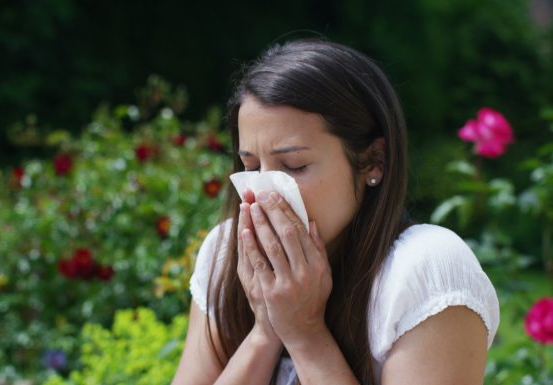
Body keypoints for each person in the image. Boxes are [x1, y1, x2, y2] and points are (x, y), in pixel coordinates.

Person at [171, 39, 499, 385]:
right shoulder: (225, 251)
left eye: (293, 165)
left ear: (374, 160)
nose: (263, 193)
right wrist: (265, 332)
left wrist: (304, 333)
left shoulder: (425, 271)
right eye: (250, 166)